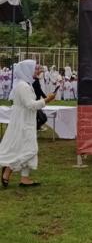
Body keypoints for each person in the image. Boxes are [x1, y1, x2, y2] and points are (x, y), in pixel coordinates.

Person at [0, 60, 56, 188]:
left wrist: (45, 100)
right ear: (27, 70)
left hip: (27, 120)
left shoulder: (27, 84)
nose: (37, 71)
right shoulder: (23, 86)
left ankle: (25, 178)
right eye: (34, 69)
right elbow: (30, 105)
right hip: (23, 122)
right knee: (30, 149)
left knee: (27, 148)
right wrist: (47, 100)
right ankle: (9, 168)